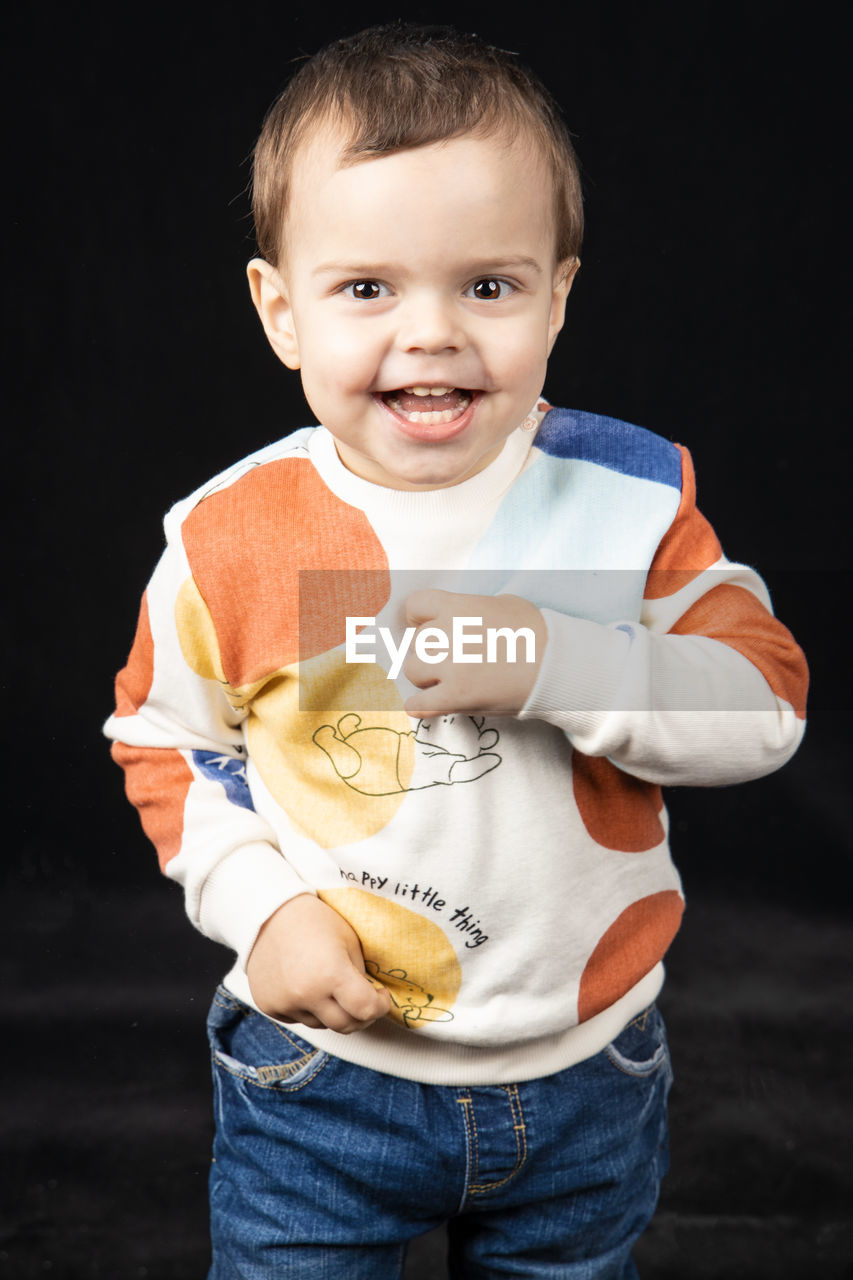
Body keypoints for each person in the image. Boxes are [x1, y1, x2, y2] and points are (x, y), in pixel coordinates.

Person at [104, 23, 808, 1278]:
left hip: (588, 1067)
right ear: (281, 310)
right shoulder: (235, 537)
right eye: (367, 287)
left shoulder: (630, 499)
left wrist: (555, 657)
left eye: (487, 285)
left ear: (557, 294)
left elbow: (763, 705)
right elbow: (165, 743)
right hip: (323, 1079)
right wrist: (263, 910)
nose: (430, 333)